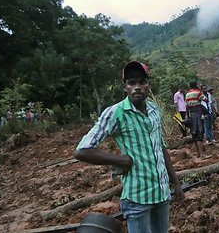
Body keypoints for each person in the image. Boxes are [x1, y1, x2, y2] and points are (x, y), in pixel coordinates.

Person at [74, 61, 184, 233]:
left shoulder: (154, 109)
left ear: (148, 85)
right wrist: (121, 160)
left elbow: (161, 147)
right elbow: (82, 151)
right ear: (125, 87)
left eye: (142, 82)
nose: (137, 87)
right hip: (137, 198)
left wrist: (175, 182)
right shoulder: (116, 113)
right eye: (132, 83)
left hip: (162, 193)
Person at [185, 80, 211, 158]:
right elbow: (205, 99)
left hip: (191, 114)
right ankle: (202, 154)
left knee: (194, 133)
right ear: (196, 85)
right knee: (200, 133)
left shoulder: (187, 94)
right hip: (198, 113)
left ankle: (198, 153)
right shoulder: (197, 92)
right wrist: (200, 90)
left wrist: (187, 116)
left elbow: (187, 106)